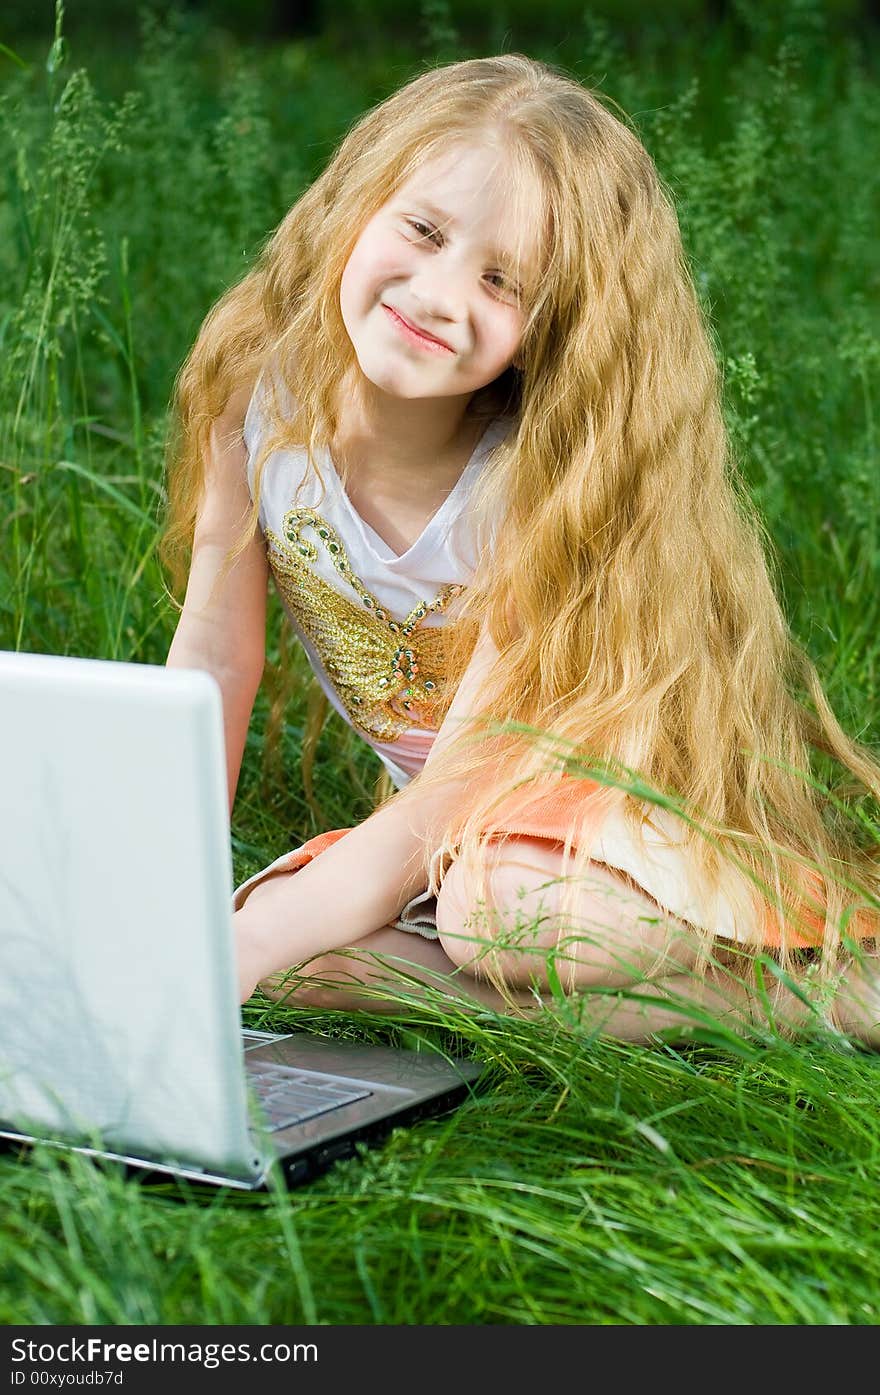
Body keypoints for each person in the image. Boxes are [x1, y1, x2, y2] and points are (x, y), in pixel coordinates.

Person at [162, 54, 880, 1044]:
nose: (439, 294)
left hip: (619, 824)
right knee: (310, 968)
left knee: (496, 919)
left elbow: (460, 784)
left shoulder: (533, 490)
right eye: (422, 229)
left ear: (557, 331)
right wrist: (164, 901)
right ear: (355, 201)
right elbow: (214, 659)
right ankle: (683, 1013)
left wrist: (248, 940)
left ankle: (819, 990)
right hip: (464, 835)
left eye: (503, 281)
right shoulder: (256, 402)